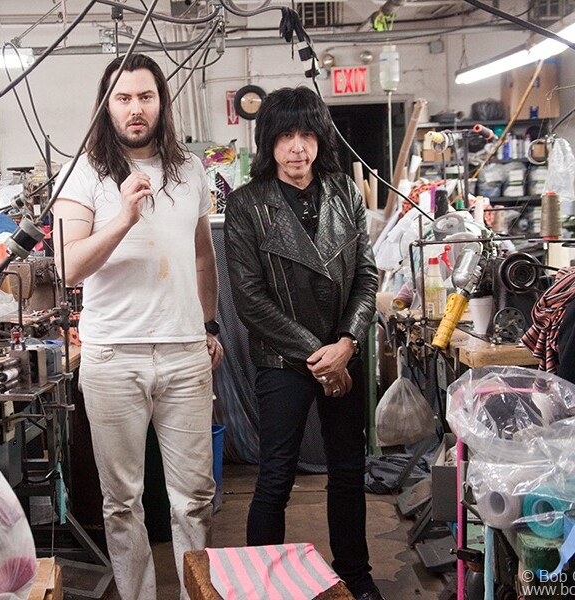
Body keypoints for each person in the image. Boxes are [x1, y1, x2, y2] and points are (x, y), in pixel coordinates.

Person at [51, 53, 223, 600]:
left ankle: (197, 593)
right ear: (106, 106)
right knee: (122, 501)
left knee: (194, 495)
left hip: (183, 353)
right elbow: (69, 266)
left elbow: (202, 257)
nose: (134, 108)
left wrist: (210, 325)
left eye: (144, 96)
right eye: (122, 98)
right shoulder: (83, 172)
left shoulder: (191, 170)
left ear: (161, 102)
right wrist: (123, 217)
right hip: (112, 357)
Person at [223, 86, 383, 600]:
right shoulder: (247, 205)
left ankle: (356, 577)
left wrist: (348, 342)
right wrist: (321, 355)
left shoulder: (345, 193)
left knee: (347, 472)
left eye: (307, 134)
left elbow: (367, 276)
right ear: (268, 140)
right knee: (274, 479)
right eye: (286, 135)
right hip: (283, 359)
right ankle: (258, 584)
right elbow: (249, 299)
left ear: (319, 139)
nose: (298, 148)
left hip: (343, 352)